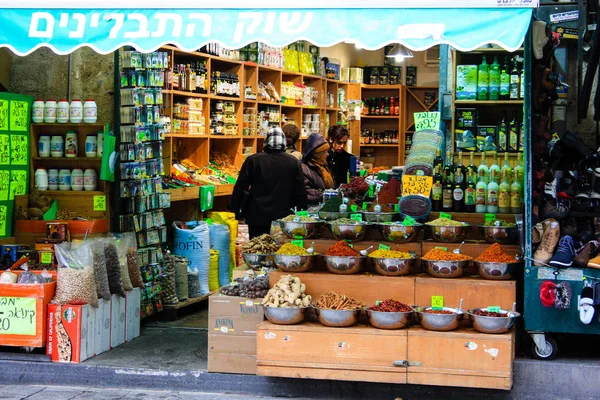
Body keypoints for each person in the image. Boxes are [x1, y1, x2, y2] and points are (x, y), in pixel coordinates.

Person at [229, 127, 307, 238]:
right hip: (283, 217)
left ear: (266, 141)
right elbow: (300, 192)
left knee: (258, 247)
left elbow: (240, 187)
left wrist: (234, 208)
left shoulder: (253, 160)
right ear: (284, 142)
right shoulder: (293, 162)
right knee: (280, 248)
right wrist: (302, 214)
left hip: (257, 216)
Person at [301, 133, 334, 205]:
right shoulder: (304, 169)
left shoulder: (324, 167)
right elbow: (306, 192)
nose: (327, 154)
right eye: (324, 152)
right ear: (316, 154)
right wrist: (326, 194)